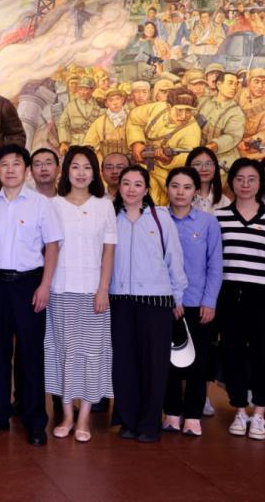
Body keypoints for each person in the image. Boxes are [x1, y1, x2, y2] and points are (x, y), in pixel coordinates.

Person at [0, 144, 62, 446]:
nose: (10, 169)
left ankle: (35, 420)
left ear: (26, 171)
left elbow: (52, 246)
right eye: (4, 164)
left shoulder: (41, 204)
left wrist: (45, 285)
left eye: (16, 164)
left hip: (29, 284)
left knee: (31, 355)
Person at [110, 165, 187, 443]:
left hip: (156, 301)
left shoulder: (160, 217)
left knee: (154, 365)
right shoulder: (111, 217)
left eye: (137, 184)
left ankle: (149, 423)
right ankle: (128, 420)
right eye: (126, 183)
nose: (131, 189)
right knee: (124, 363)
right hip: (119, 300)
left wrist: (177, 296)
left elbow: (174, 258)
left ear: (146, 189)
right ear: (119, 187)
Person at [45, 146, 116, 443]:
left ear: (95, 173)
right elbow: (48, 249)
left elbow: (108, 251)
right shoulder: (53, 205)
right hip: (60, 290)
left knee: (91, 355)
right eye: (75, 166)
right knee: (63, 352)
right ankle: (66, 415)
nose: (81, 173)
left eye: (87, 167)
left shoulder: (104, 206)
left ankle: (84, 417)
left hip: (92, 293)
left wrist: (103, 289)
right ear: (66, 171)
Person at [215, 158, 265, 441]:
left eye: (251, 179)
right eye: (239, 179)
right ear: (231, 182)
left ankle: (259, 413)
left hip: (262, 294)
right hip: (229, 293)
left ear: (260, 183)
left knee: (262, 352)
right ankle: (240, 409)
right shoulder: (219, 217)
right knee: (232, 350)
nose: (245, 185)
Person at [163, 167, 222, 437]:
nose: (180, 192)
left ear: (196, 192)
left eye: (187, 187)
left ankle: (193, 414)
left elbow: (215, 265)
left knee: (198, 361)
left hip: (198, 303)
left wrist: (210, 301)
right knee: (169, 361)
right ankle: (172, 412)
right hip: (166, 303)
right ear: (167, 188)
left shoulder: (208, 223)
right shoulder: (159, 220)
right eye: (175, 186)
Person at [186, 147, 230, 213]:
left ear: (215, 167)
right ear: (188, 167)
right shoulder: (181, 198)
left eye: (208, 164)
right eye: (197, 164)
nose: (204, 169)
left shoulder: (224, 202)